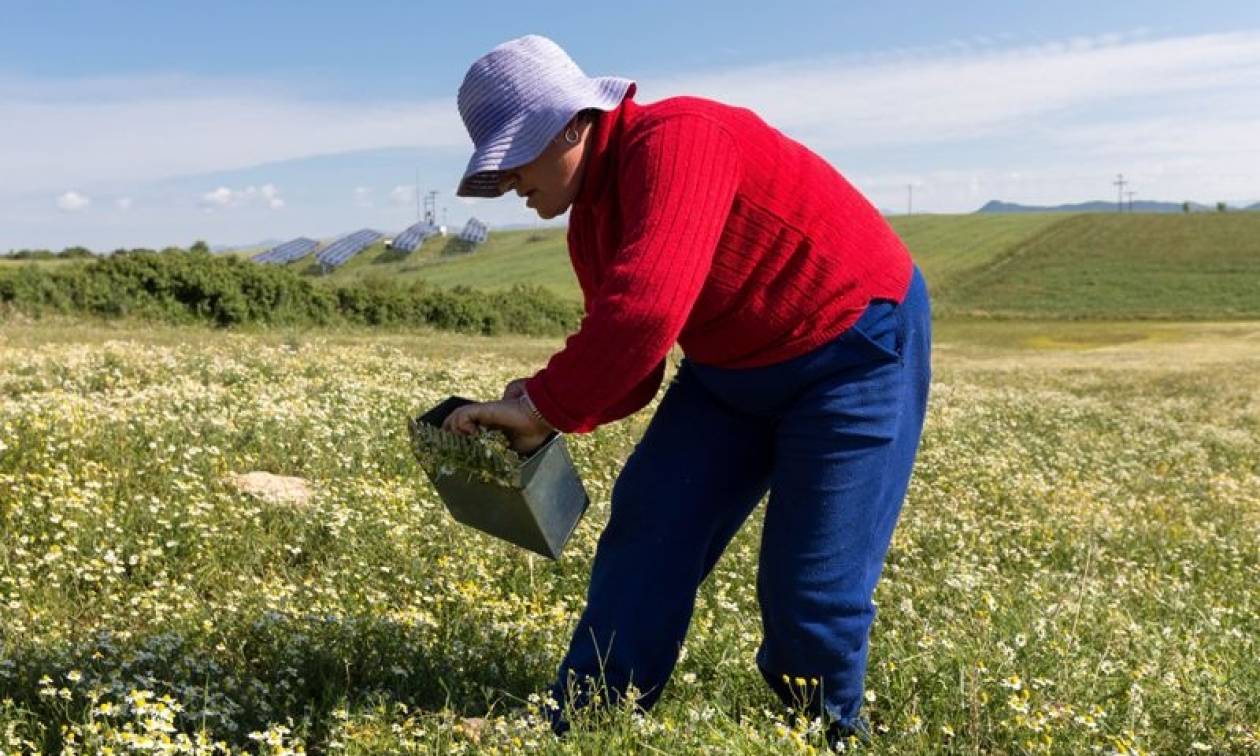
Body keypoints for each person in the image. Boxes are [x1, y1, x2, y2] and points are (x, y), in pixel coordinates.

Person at [442, 34, 931, 742]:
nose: (511, 182)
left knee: (811, 591)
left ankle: (828, 733)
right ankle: (585, 723)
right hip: (732, 371)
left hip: (853, 349)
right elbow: (634, 367)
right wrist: (533, 404)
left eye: (513, 158)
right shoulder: (592, 225)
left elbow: (644, 312)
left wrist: (544, 407)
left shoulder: (680, 139)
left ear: (572, 123)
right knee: (650, 526)